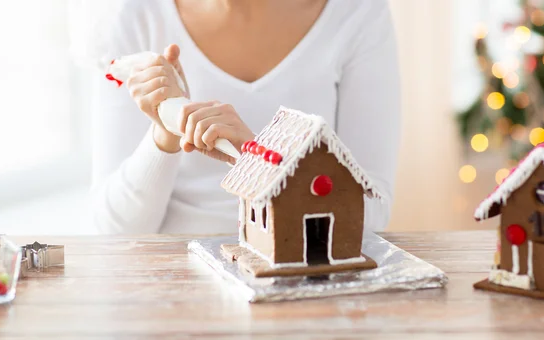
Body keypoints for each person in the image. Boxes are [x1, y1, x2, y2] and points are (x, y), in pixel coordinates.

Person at [91, 0, 400, 235]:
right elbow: (115, 230)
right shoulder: (136, 15)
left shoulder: (358, 13)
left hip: (304, 276)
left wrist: (258, 161)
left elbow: (371, 213)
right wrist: (166, 132)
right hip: (170, 289)